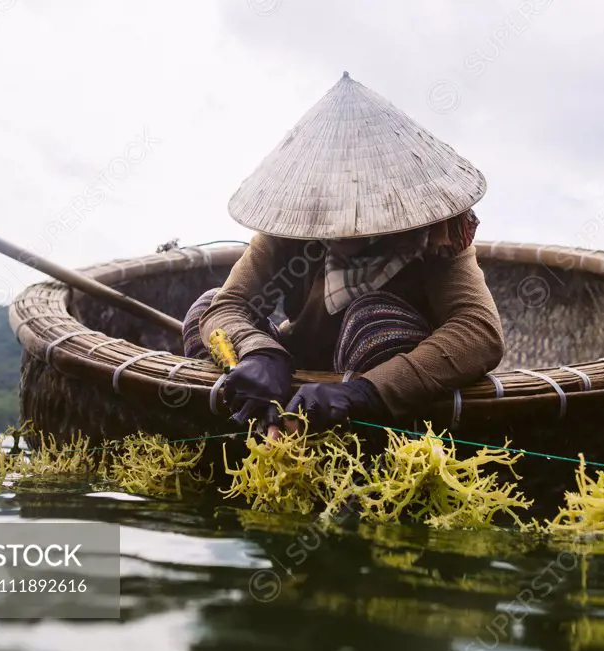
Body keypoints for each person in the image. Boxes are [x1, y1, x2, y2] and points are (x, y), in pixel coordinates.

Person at [181, 72, 504, 434]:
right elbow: (228, 306)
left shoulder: (436, 238)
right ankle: (255, 424)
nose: (344, 225)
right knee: (203, 313)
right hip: (300, 361)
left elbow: (478, 332)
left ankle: (370, 449)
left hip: (379, 379)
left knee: (373, 321)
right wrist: (259, 353)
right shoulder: (291, 226)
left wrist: (365, 391)